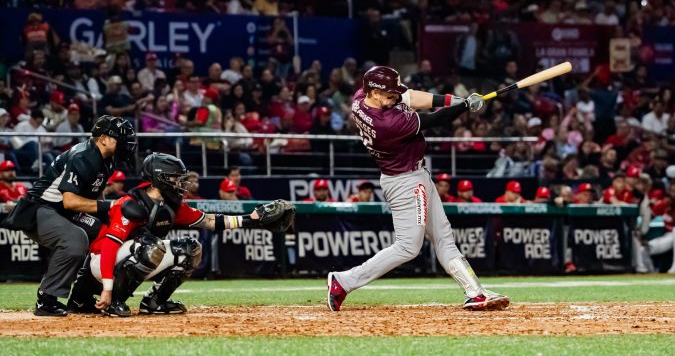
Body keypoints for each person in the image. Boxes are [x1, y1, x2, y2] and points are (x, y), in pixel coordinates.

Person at [327, 65, 508, 312]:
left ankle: (474, 292)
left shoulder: (363, 96)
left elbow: (410, 96)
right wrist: (463, 107)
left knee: (444, 236)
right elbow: (434, 119)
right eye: (390, 93)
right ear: (376, 93)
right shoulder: (387, 123)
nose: (395, 96)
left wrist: (454, 100)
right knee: (407, 247)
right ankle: (344, 281)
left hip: (414, 174)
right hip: (405, 181)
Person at [67, 153, 294, 316]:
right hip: (101, 264)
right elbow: (108, 246)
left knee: (191, 248)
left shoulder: (172, 205)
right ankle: (115, 302)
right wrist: (107, 289)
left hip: (134, 254)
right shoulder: (130, 204)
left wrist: (250, 219)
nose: (180, 184)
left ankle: (155, 302)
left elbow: (209, 220)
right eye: (176, 178)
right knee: (152, 245)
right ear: (160, 178)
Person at [1, 116, 135, 316]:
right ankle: (46, 299)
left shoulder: (107, 158)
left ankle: (81, 297)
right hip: (40, 208)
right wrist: (112, 205)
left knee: (109, 233)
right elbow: (70, 201)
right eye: (120, 139)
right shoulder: (83, 156)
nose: (125, 143)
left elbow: (95, 192)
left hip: (65, 210)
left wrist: (108, 215)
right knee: (75, 240)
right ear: (104, 138)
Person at [647, 181, 675, 274]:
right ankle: (649, 270)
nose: (674, 194)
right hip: (668, 235)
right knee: (647, 248)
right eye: (672, 191)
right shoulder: (665, 202)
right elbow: (652, 214)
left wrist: (671, 210)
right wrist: (659, 204)